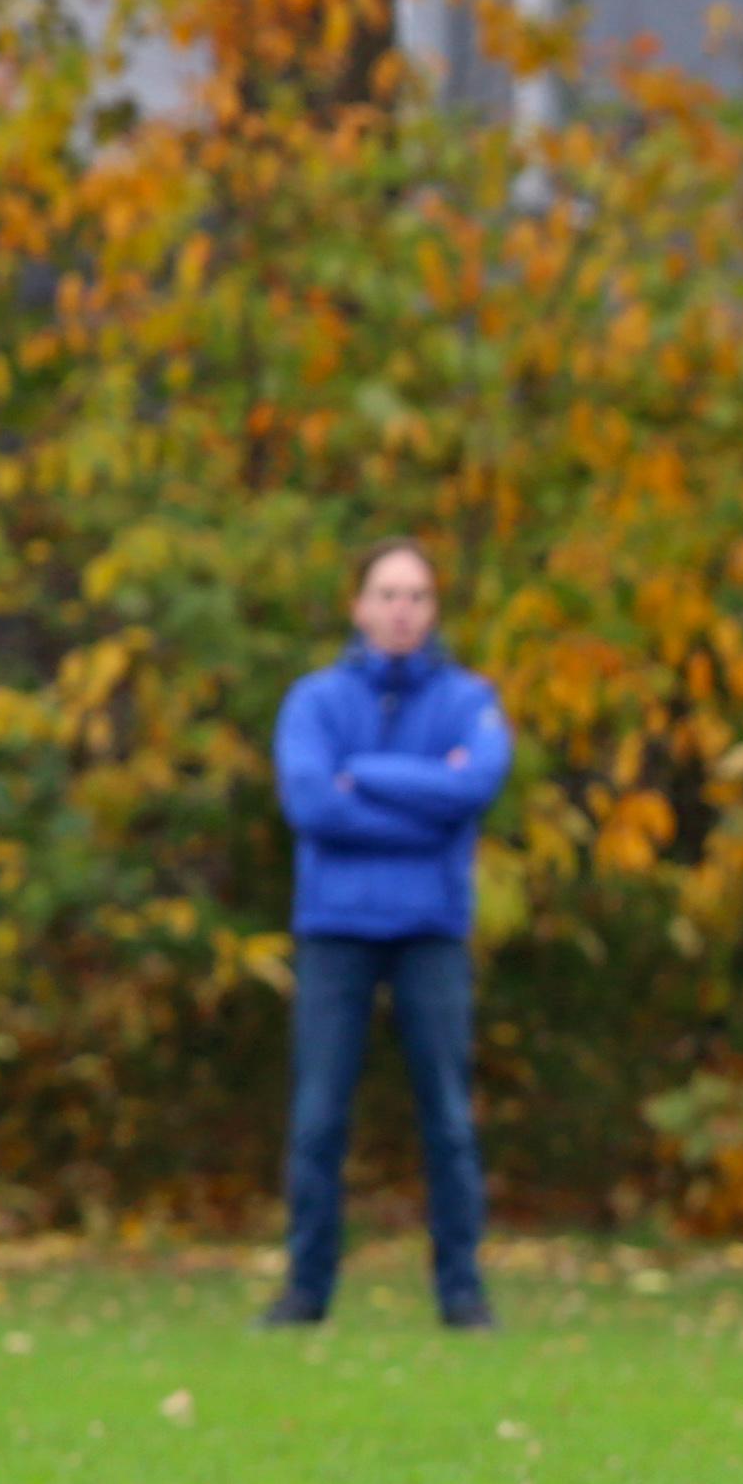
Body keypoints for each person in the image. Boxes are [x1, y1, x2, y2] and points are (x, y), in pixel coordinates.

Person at [267, 538, 516, 1331]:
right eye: (387, 593)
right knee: (318, 1118)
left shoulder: (469, 698)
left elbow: (473, 786)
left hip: (431, 930)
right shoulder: (313, 701)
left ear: (433, 609)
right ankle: (305, 1292)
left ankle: (462, 1292)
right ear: (359, 606)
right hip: (335, 930)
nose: (401, 609)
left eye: (416, 595)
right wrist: (426, 799)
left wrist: (365, 774)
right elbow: (311, 804)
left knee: (446, 1115)